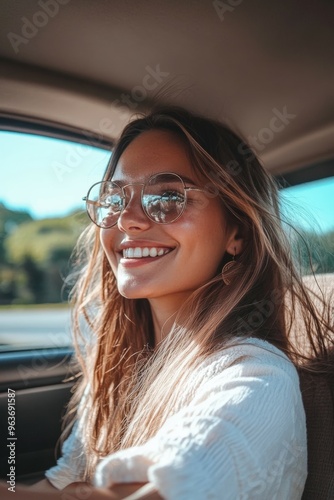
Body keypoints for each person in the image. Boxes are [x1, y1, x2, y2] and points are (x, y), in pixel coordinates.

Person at [1, 106, 333, 500]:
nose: (128, 220)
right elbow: (59, 483)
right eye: (116, 197)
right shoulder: (116, 370)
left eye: (168, 197)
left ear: (237, 234)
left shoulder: (256, 378)